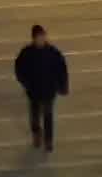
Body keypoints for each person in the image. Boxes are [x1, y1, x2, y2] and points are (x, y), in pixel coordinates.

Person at [14, 24, 70, 152]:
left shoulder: (53, 53)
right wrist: (26, 83)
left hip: (49, 91)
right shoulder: (27, 53)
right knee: (34, 117)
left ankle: (48, 141)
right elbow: (19, 69)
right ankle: (37, 134)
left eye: (42, 37)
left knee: (48, 116)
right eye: (38, 38)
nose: (41, 40)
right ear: (33, 39)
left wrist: (63, 86)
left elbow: (62, 70)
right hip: (34, 92)